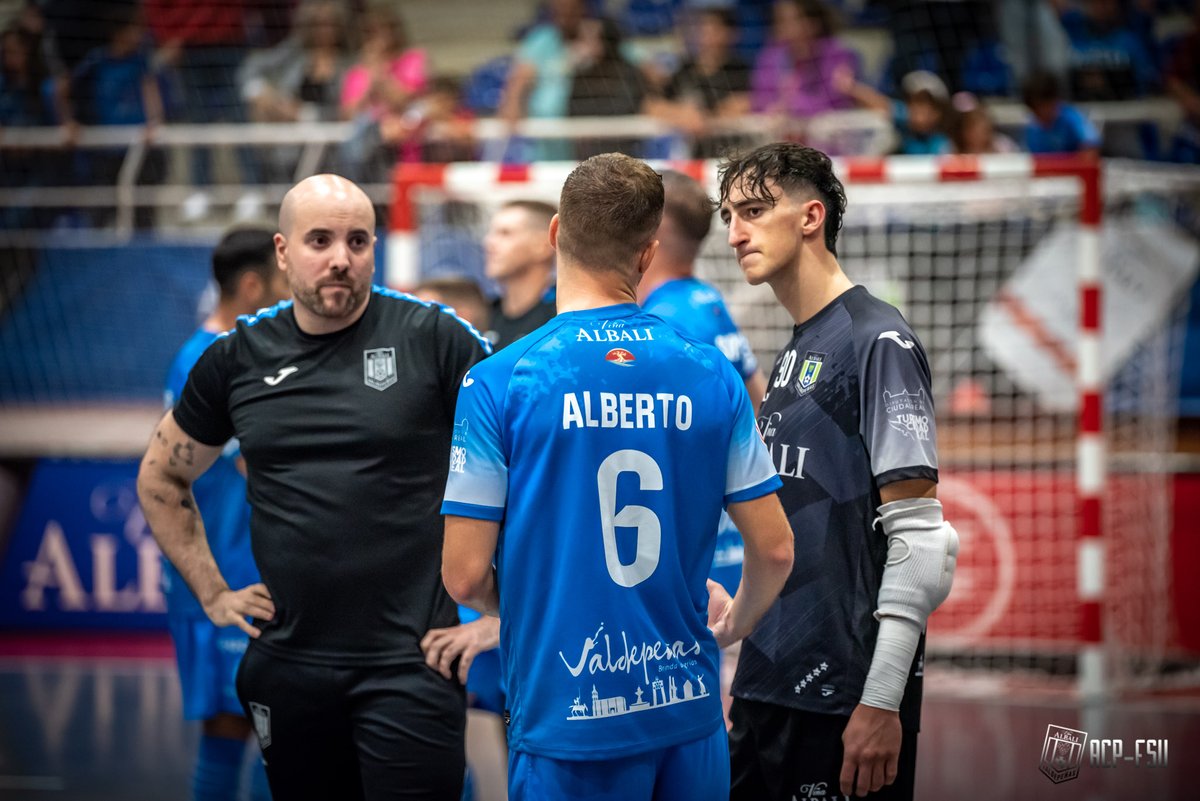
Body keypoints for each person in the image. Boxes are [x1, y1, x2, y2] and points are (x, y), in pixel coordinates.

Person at [440, 152, 795, 801]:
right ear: (647, 253)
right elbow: (774, 547)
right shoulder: (709, 371)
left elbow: (463, 574)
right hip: (687, 709)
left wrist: (537, 604)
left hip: (570, 709)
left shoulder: (499, 380)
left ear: (554, 236)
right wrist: (734, 622)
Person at [137, 174, 492, 800]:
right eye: (320, 240)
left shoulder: (434, 338)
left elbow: (535, 459)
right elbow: (162, 477)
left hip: (411, 665)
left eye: (358, 241)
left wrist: (504, 615)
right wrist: (214, 593)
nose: (340, 258)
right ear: (282, 252)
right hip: (288, 667)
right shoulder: (235, 358)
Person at [717, 142, 959, 800]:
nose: (735, 232)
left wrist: (881, 703)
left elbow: (923, 541)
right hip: (768, 683)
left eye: (754, 210)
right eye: (727, 216)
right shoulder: (796, 347)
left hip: (843, 702)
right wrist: (737, 618)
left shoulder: (877, 340)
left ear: (811, 216)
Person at [163, 227, 289, 801]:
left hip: (247, 564)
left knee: (269, 730)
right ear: (252, 284)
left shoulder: (212, 351)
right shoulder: (214, 358)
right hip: (230, 569)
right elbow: (263, 470)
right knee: (244, 727)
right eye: (282, 279)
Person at [481, 199, 558, 349]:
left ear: (542, 245)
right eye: (491, 233)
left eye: (505, 233)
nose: (488, 242)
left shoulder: (561, 318)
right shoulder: (485, 315)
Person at [1021, 70, 1101, 157]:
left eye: (1041, 108)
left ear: (1054, 100)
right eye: (1034, 110)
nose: (1038, 115)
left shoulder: (1073, 118)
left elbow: (1091, 150)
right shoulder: (1032, 127)